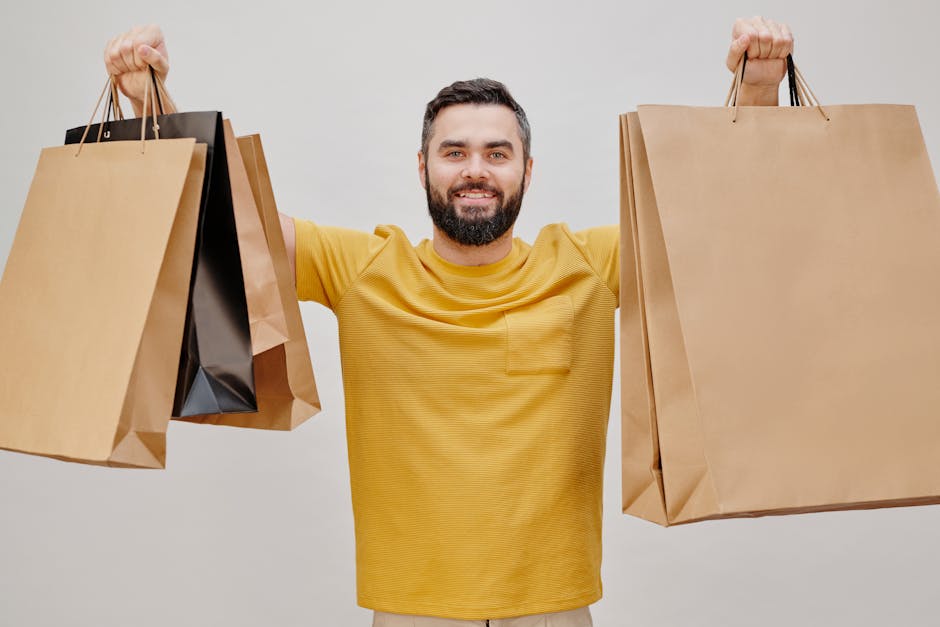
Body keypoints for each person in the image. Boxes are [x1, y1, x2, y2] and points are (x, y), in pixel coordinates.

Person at [104, 17, 793, 627]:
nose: (476, 170)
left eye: (497, 152)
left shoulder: (587, 264)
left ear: (527, 168)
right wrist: (152, 106)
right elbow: (233, 224)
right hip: (412, 611)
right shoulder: (366, 268)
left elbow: (717, 224)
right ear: (423, 167)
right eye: (455, 151)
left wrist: (758, 94)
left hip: (553, 610)